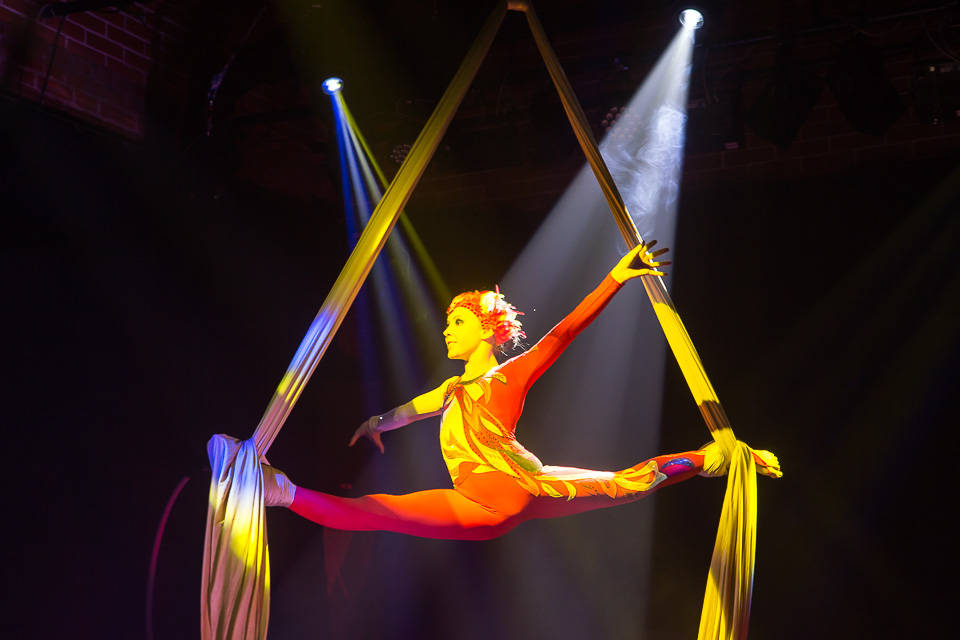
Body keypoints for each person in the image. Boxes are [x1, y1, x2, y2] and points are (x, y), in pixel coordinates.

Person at [264, 241, 780, 540]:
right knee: (629, 483)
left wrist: (615, 278)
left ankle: (281, 493)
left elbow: (562, 334)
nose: (446, 330)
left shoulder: (507, 376)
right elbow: (408, 412)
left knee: (377, 512)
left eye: (458, 322)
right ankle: (718, 459)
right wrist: (375, 424)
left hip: (494, 497)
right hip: (532, 482)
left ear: (488, 329)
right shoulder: (451, 390)